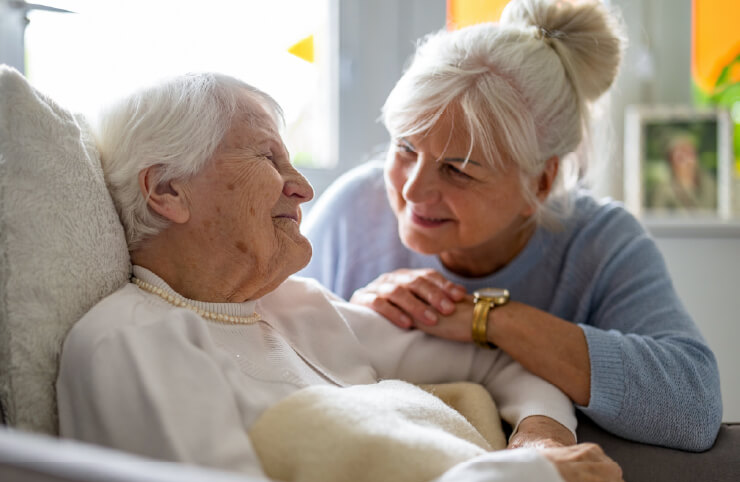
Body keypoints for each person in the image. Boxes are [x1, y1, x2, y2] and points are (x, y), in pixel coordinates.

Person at [56, 71, 627, 482]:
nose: (302, 188)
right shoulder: (132, 342)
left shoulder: (296, 305)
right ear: (167, 191)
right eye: (268, 158)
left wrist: (541, 442)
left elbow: (505, 366)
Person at [298, 0, 722, 452]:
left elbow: (692, 408)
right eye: (404, 148)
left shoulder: (601, 242)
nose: (413, 190)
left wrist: (488, 319)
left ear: (539, 183)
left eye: (457, 169)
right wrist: (352, 320)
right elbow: (268, 351)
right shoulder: (353, 211)